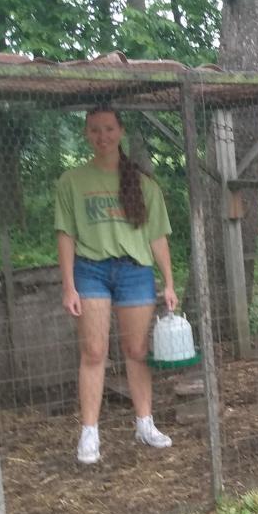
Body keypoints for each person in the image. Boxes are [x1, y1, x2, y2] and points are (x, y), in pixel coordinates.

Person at [55, 106, 178, 464]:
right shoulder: (72, 181)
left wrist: (169, 282)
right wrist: (68, 286)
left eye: (109, 128)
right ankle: (89, 433)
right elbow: (65, 235)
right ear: (85, 134)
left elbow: (157, 237)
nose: (102, 136)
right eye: (94, 129)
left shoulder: (143, 184)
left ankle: (145, 424)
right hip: (90, 271)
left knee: (136, 351)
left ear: (121, 132)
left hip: (135, 272)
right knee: (94, 352)